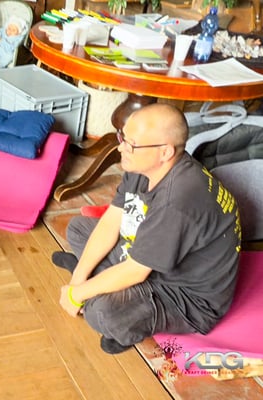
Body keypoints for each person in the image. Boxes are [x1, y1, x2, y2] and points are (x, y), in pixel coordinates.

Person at [51, 103, 241, 354]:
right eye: (123, 137)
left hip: (183, 296)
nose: (121, 148)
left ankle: (125, 320)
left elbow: (136, 271)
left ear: (165, 152)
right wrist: (77, 281)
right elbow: (110, 221)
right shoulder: (143, 166)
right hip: (154, 259)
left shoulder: (178, 200)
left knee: (101, 312)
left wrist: (76, 295)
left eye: (131, 144)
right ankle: (97, 280)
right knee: (78, 228)